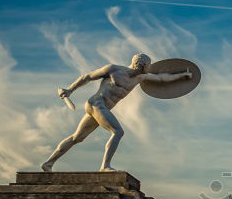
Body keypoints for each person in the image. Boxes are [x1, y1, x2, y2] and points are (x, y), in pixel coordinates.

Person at [41, 54, 191, 172]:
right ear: (142, 65)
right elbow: (87, 77)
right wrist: (69, 90)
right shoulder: (113, 69)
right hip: (96, 103)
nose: (150, 68)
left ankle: (48, 163)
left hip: (101, 108)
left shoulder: (140, 77)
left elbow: (161, 78)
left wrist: (183, 75)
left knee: (76, 138)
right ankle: (105, 166)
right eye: (149, 65)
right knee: (118, 132)